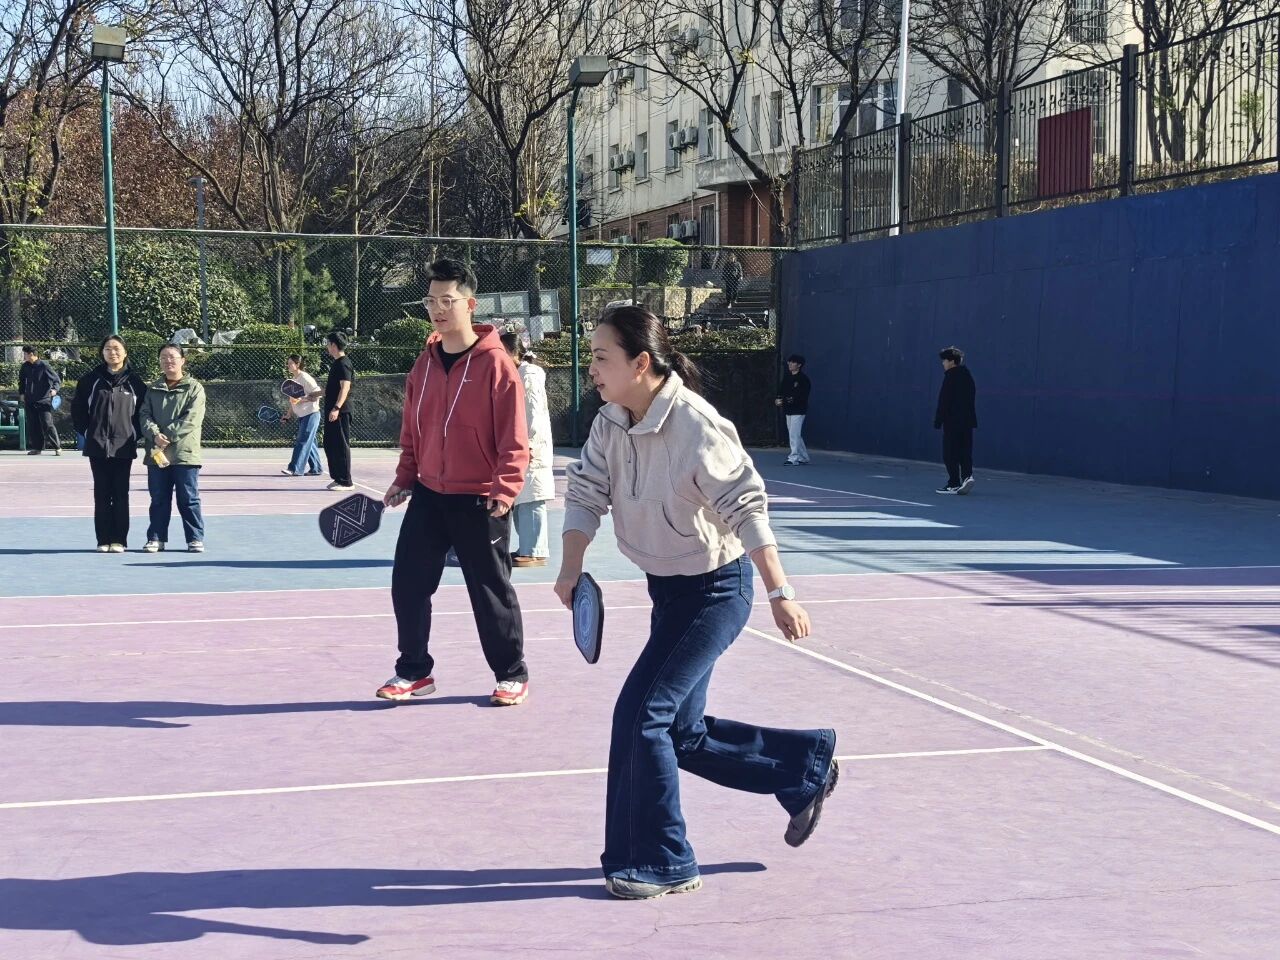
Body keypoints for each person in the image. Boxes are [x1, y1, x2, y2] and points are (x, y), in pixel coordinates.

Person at [555, 305, 839, 901]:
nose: (591, 369)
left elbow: (747, 506)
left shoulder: (697, 425)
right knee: (679, 732)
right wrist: (571, 565)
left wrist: (780, 592)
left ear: (641, 362)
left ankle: (663, 860)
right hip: (668, 589)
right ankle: (801, 767)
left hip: (716, 592)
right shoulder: (610, 421)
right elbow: (586, 490)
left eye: (601, 357)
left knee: (641, 716)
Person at [378, 259, 532, 707]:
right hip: (429, 495)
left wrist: (505, 488)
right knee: (408, 584)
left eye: (447, 301)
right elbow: (413, 430)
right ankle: (414, 672)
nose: (438, 309)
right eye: (431, 301)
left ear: (470, 304)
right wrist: (405, 477)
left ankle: (512, 673)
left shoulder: (496, 365)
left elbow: (514, 437)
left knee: (489, 591)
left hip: (481, 497)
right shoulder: (422, 366)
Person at [71, 335, 147, 553]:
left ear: (125, 352)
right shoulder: (89, 381)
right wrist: (89, 433)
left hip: (124, 448)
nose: (112, 352)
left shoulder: (136, 383)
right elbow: (78, 412)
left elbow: (143, 414)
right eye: (107, 349)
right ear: (102, 353)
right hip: (97, 447)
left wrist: (133, 434)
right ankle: (103, 539)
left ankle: (119, 540)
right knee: (101, 494)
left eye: (116, 348)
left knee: (121, 495)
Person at [139, 344, 207, 553]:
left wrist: (166, 435)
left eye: (172, 357)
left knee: (188, 498)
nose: (168, 361)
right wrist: (154, 435)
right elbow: (144, 415)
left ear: (182, 360)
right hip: (157, 453)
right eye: (163, 357)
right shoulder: (152, 388)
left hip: (185, 454)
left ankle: (194, 538)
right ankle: (156, 538)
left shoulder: (194, 388)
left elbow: (192, 418)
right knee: (159, 498)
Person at [501, 332, 555, 568]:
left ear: (514, 352)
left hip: (532, 447)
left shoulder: (528, 376)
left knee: (532, 498)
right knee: (523, 497)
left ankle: (535, 551)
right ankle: (528, 548)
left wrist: (529, 443)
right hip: (523, 444)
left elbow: (533, 412)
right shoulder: (518, 373)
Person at [934, 346, 978, 495]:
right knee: (965, 451)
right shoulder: (968, 376)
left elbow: (944, 400)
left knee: (949, 453)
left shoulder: (950, 377)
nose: (943, 363)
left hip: (952, 422)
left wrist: (938, 420)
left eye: (944, 361)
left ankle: (953, 483)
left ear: (952, 361)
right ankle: (967, 477)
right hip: (967, 422)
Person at [279, 354, 324, 477]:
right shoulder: (294, 380)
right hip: (302, 415)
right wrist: (288, 415)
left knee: (302, 440)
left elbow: (318, 394)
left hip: (311, 414)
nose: (288, 365)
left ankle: (294, 469)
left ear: (297, 364)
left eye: (290, 363)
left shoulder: (305, 378)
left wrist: (303, 399)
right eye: (288, 363)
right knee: (310, 442)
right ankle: (316, 468)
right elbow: (293, 401)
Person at [322, 332, 355, 491]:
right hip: (332, 412)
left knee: (341, 445)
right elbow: (332, 389)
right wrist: (313, 395)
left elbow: (345, 387)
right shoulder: (336, 363)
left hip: (340, 412)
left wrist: (336, 408)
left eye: (328, 344)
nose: (327, 347)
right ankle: (337, 478)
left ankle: (346, 481)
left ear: (333, 345)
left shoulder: (343, 363)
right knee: (330, 443)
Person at [18, 345, 61, 455]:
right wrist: (22, 394)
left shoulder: (44, 366)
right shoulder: (25, 366)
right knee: (33, 425)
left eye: (25, 354)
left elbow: (56, 380)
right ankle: (38, 448)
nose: (24, 356)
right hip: (30, 400)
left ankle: (57, 447)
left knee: (47, 424)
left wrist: (54, 390)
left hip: (44, 400)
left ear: (31, 354)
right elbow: (21, 381)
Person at [776, 353, 811, 465]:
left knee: (793, 434)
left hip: (799, 410)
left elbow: (803, 396)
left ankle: (793, 458)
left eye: (793, 362)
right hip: (788, 410)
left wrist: (792, 400)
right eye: (789, 362)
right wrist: (778, 399)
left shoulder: (803, 379)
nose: (790, 364)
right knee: (795, 434)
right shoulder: (787, 377)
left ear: (799, 365)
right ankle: (804, 457)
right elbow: (781, 390)